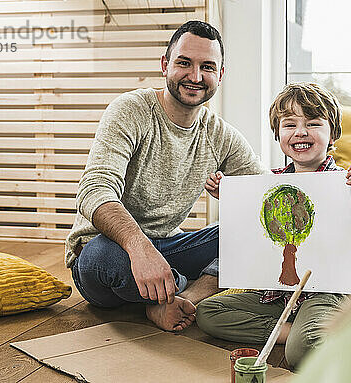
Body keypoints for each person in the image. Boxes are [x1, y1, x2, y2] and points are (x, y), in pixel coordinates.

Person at [65, 21, 267, 332]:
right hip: (105, 253)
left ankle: (181, 297)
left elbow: (269, 192)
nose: (195, 76)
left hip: (169, 249)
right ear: (165, 65)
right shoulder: (130, 110)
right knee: (104, 256)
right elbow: (94, 191)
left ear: (220, 75)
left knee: (248, 233)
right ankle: (183, 290)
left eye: (207, 67)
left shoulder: (220, 135)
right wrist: (138, 246)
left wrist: (240, 198)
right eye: (184, 63)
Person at [198, 82, 351, 369]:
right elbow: (250, 237)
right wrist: (228, 198)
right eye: (289, 124)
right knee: (208, 313)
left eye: (313, 123)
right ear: (278, 134)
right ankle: (301, 333)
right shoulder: (267, 182)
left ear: (332, 133)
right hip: (277, 292)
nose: (300, 132)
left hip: (328, 291)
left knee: (300, 353)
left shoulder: (348, 184)